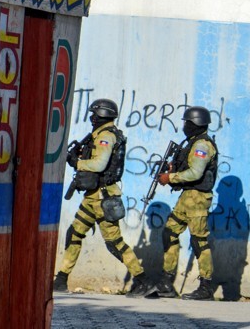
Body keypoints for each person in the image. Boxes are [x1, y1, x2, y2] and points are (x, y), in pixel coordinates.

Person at [54, 99, 153, 297]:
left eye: (94, 114)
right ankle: (61, 279)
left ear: (101, 115)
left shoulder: (106, 136)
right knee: (74, 233)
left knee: (114, 243)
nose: (91, 118)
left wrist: (78, 162)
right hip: (94, 197)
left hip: (102, 197)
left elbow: (99, 164)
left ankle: (144, 281)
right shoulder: (101, 135)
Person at [153, 106, 219, 300]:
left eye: (187, 123)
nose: (184, 126)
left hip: (198, 199)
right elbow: (187, 167)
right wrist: (174, 167)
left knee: (199, 241)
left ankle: (206, 287)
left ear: (195, 123)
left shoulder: (202, 145)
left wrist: (170, 177)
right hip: (187, 198)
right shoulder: (192, 142)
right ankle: (167, 282)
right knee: (169, 232)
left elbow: (195, 173)